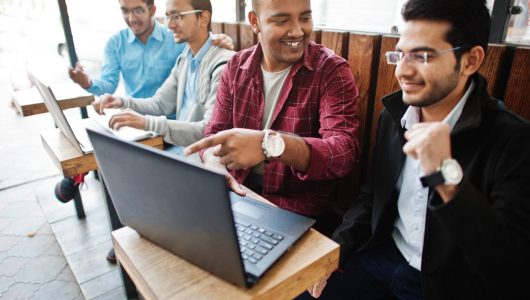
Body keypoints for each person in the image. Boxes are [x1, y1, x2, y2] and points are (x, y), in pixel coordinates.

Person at [308, 0, 530, 299]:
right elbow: (371, 196)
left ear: (471, 60)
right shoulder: (394, 114)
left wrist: (445, 176)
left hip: (450, 285)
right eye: (399, 55)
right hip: (381, 257)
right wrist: (336, 252)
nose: (402, 71)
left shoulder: (513, 140)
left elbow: (508, 267)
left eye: (422, 56)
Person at [185, 0, 360, 238]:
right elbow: (214, 133)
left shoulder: (331, 71)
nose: (298, 31)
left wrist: (270, 145)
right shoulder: (236, 66)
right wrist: (214, 164)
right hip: (238, 196)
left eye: (305, 18)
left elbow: (343, 153)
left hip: (298, 214)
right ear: (255, 22)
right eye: (282, 20)